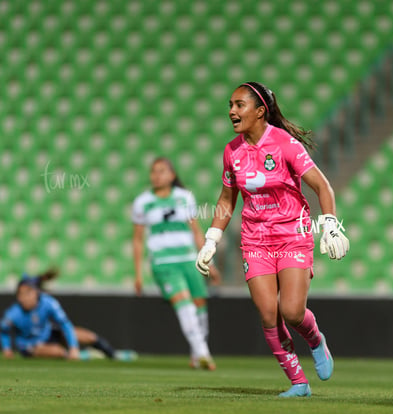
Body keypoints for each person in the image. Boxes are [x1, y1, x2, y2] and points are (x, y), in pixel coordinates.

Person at [196, 82, 349, 397]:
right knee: (268, 313)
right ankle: (298, 383)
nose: (232, 111)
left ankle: (316, 339)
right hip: (255, 240)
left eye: (239, 105)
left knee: (292, 312)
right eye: (230, 105)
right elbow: (227, 200)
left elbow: (322, 187)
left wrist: (330, 224)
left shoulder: (285, 144)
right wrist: (212, 239)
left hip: (293, 233)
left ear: (260, 110)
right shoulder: (232, 151)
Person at [132, 157, 220, 370]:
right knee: (184, 302)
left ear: (172, 175)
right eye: (154, 171)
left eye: (162, 171)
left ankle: (195, 355)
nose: (157, 175)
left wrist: (210, 262)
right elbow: (137, 239)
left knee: (199, 304)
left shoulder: (184, 198)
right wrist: (138, 274)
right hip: (163, 262)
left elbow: (197, 231)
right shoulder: (142, 202)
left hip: (189, 260)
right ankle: (203, 354)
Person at [0, 275, 117, 360]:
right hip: (29, 345)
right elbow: (3, 330)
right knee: (57, 352)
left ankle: (112, 355)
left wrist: (73, 347)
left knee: (87, 336)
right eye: (21, 294)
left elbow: (65, 324)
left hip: (48, 334)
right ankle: (87, 355)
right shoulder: (14, 313)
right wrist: (6, 349)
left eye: (28, 293)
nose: (24, 298)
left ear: (36, 293)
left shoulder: (48, 302)